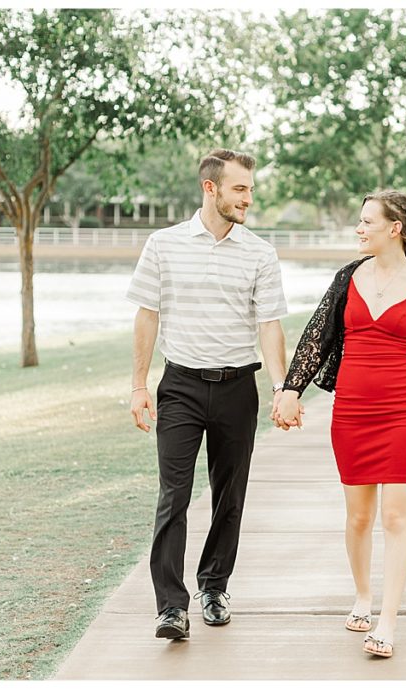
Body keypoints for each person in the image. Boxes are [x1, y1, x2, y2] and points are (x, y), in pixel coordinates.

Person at [276, 190, 406, 659]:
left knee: (396, 516)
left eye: (366, 222)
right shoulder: (347, 277)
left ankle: (388, 621)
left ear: (393, 227)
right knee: (359, 516)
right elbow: (316, 336)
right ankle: (363, 596)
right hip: (352, 412)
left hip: (402, 412)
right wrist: (291, 390)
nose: (358, 229)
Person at [127, 148, 289, 640]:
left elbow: (270, 325)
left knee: (229, 496)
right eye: (240, 188)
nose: (248, 198)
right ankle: (171, 606)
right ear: (210, 188)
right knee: (173, 495)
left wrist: (282, 387)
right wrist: (138, 385)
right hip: (180, 386)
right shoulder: (163, 244)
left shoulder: (260, 252)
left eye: (251, 189)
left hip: (238, 388)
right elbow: (147, 315)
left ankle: (214, 587)